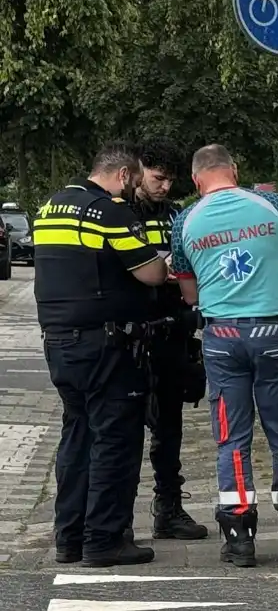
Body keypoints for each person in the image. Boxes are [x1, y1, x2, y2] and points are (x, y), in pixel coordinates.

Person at [169, 144, 278, 567]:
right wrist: (268, 268)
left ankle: (238, 539)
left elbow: (190, 292)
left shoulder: (185, 222)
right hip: (272, 332)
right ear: (233, 169)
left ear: (196, 179)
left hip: (221, 336)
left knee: (231, 437)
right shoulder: (272, 204)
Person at [34, 141, 168, 567]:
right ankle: (105, 540)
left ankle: (69, 538)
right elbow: (150, 273)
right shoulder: (110, 212)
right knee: (115, 440)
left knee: (77, 436)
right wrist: (162, 263)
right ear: (125, 176)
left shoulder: (49, 207)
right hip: (105, 345)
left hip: (59, 343)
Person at [124, 138, 209, 542]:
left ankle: (169, 507)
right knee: (122, 428)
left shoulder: (177, 216)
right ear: (139, 170)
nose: (165, 188)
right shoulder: (121, 214)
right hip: (134, 333)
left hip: (174, 330)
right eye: (158, 179)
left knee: (170, 428)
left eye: (172, 181)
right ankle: (119, 515)